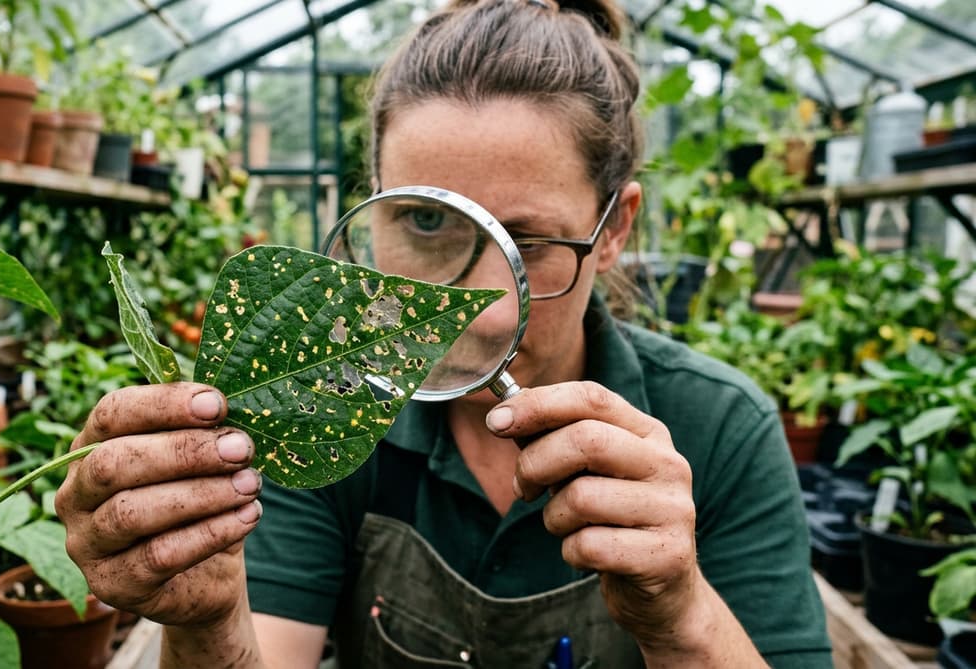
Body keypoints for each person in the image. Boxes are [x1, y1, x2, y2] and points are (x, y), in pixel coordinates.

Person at [54, 0, 833, 666]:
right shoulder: (324, 402)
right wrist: (207, 623)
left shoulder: (719, 429)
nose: (484, 313)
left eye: (528, 244)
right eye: (426, 222)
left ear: (615, 228)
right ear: (372, 209)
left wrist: (681, 612)